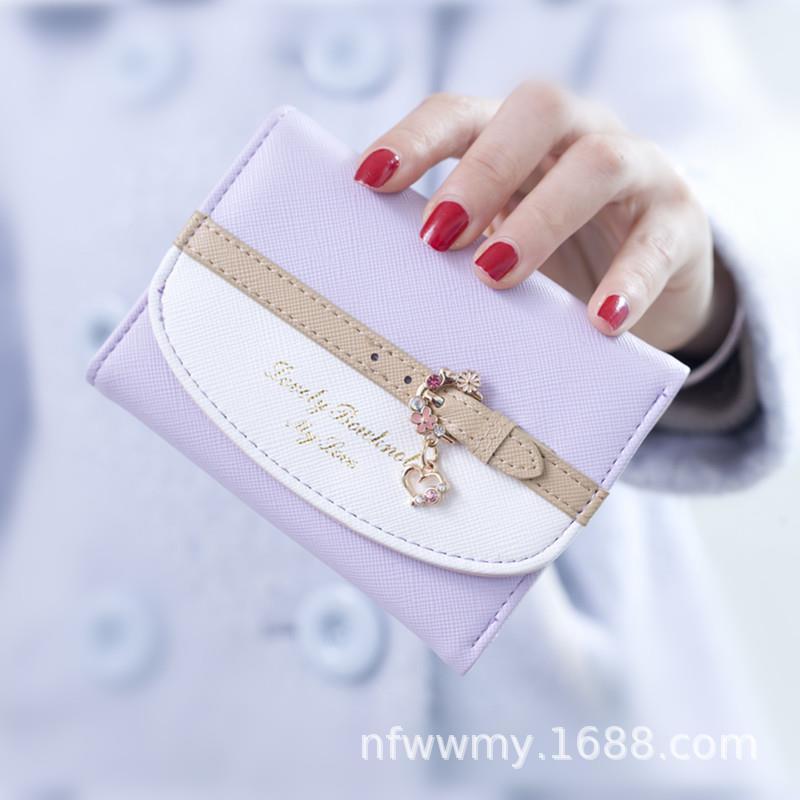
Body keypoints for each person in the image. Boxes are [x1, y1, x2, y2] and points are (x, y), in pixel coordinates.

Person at [0, 2, 795, 797]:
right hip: (100, 734)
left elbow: (759, 192)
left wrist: (688, 280)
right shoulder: (45, 31)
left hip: (536, 742)